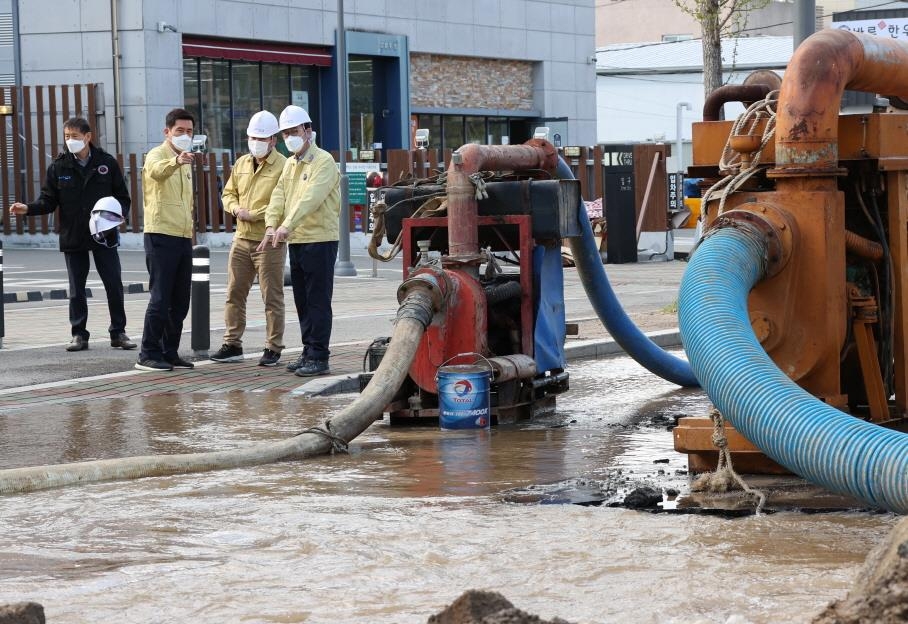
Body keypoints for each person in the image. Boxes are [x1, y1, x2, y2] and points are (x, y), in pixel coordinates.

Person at [8, 116, 135, 352]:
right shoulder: (58, 166)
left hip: (104, 233)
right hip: (73, 233)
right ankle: (79, 334)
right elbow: (47, 201)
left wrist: (119, 215)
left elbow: (123, 197)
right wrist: (28, 209)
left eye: (75, 136)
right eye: (67, 136)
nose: (70, 141)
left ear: (88, 137)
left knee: (113, 284)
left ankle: (118, 333)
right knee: (77, 287)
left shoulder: (107, 163)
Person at [259, 105, 340, 377]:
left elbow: (310, 199)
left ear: (307, 130)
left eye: (294, 131)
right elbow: (278, 196)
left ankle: (320, 356)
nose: (289, 138)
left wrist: (285, 225)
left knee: (317, 300)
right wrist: (272, 225)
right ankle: (308, 352)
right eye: (285, 134)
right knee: (302, 301)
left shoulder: (323, 161)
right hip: (297, 240)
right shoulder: (291, 163)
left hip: (320, 239)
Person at [210, 111, 287, 366]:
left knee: (272, 297)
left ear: (274, 140)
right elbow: (228, 193)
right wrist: (234, 209)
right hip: (241, 239)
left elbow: (284, 202)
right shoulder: (242, 163)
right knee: (234, 293)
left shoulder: (284, 166)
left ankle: (273, 347)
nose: (257, 142)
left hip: (269, 241)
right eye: (253, 137)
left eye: (262, 138)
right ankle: (232, 344)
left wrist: (253, 214)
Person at [135, 107, 197, 372]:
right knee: (160, 298)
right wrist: (176, 161)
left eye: (189, 131)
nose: (185, 135)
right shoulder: (157, 156)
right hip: (160, 233)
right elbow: (157, 172)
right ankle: (148, 353)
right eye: (180, 131)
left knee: (180, 299)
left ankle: (169, 350)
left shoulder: (186, 161)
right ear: (167, 132)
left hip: (182, 235)